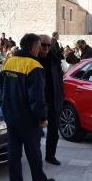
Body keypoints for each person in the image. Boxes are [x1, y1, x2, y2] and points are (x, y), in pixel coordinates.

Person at [0, 33, 54, 181]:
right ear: (32, 48)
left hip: (10, 115)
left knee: (14, 152)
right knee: (34, 151)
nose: (39, 50)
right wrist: (42, 118)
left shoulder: (8, 62)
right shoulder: (34, 66)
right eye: (38, 47)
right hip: (27, 118)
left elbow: (1, 89)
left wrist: (3, 107)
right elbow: (37, 97)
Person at [37, 34, 63, 166]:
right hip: (38, 101)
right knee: (35, 132)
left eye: (48, 45)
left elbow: (60, 80)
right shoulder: (32, 60)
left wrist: (61, 98)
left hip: (53, 100)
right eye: (43, 45)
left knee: (54, 132)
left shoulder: (55, 60)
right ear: (37, 44)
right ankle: (34, 158)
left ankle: (50, 156)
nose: (46, 48)